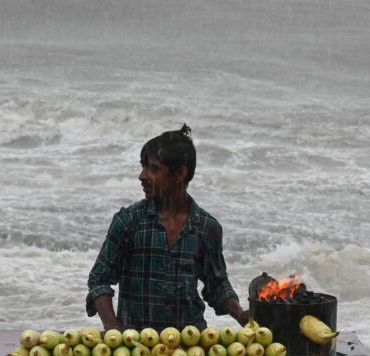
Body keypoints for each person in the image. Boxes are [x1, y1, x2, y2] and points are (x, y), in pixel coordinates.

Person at [86, 124, 249, 332]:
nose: (142, 176)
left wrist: (240, 314)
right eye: (143, 167)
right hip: (136, 345)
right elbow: (99, 279)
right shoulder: (129, 221)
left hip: (190, 347)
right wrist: (113, 327)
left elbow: (217, 285)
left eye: (153, 169)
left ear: (180, 174)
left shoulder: (207, 227)